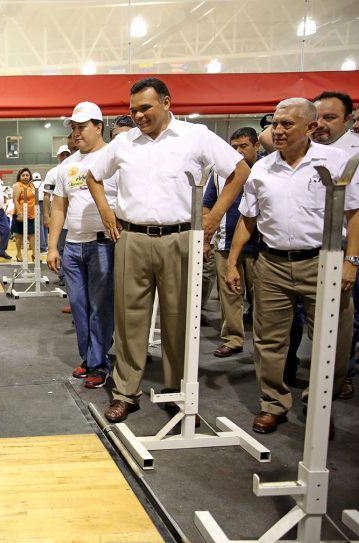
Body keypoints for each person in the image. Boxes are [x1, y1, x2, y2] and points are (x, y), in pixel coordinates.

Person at [87, 77, 251, 423]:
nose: (139, 116)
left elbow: (239, 170)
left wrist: (214, 216)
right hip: (132, 237)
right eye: (133, 110)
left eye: (145, 108)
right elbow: (93, 175)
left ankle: (177, 391)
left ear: (166, 102)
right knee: (130, 319)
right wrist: (105, 210)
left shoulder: (196, 136)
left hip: (180, 238)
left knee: (179, 319)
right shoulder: (124, 143)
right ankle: (125, 392)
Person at [226, 97, 358, 435]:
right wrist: (232, 262)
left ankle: (319, 405)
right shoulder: (262, 168)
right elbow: (248, 219)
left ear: (310, 127)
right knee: (269, 341)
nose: (279, 130)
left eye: (287, 124)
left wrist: (351, 261)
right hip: (271, 264)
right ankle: (273, 404)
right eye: (275, 124)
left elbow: (354, 214)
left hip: (323, 262)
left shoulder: (336, 161)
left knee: (335, 341)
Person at [47, 101, 117, 388]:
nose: (76, 133)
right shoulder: (68, 165)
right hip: (73, 247)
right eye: (73, 128)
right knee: (78, 306)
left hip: (103, 246)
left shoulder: (114, 158)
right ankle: (90, 358)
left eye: (82, 127)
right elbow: (58, 208)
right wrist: (53, 247)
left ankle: (98, 363)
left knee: (100, 308)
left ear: (98, 127)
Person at [312, 91, 359, 399]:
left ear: (348, 120)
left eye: (330, 118)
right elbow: (265, 135)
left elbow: (355, 213)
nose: (321, 125)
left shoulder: (351, 154)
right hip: (310, 248)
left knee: (344, 320)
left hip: (343, 245)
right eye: (316, 117)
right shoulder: (303, 147)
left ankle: (340, 375)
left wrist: (352, 260)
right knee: (306, 323)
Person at [203, 127, 261, 358]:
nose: (237, 151)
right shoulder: (219, 172)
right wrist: (207, 237)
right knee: (229, 296)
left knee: (262, 298)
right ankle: (233, 338)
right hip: (225, 243)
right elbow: (207, 202)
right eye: (233, 147)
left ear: (257, 146)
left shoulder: (265, 170)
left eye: (243, 146)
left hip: (259, 246)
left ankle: (263, 342)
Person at [44, 144, 72, 295]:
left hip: (74, 219)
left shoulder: (76, 168)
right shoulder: (53, 173)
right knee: (60, 248)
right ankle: (62, 275)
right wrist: (47, 216)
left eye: (68, 154)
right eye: (63, 155)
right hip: (59, 218)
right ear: (58, 156)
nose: (65, 157)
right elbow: (47, 196)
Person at [11, 168, 37, 262]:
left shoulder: (32, 185)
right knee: (18, 235)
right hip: (20, 214)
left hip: (31, 214)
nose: (25, 177)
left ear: (30, 176)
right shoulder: (18, 185)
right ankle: (18, 254)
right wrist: (19, 212)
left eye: (27, 175)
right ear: (20, 176)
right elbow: (15, 199)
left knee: (32, 235)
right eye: (23, 175)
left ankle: (34, 254)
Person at [31, 172, 47, 252]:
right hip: (45, 202)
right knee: (44, 225)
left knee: (39, 225)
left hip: (36, 203)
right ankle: (46, 244)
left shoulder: (31, 184)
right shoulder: (43, 183)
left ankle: (42, 246)